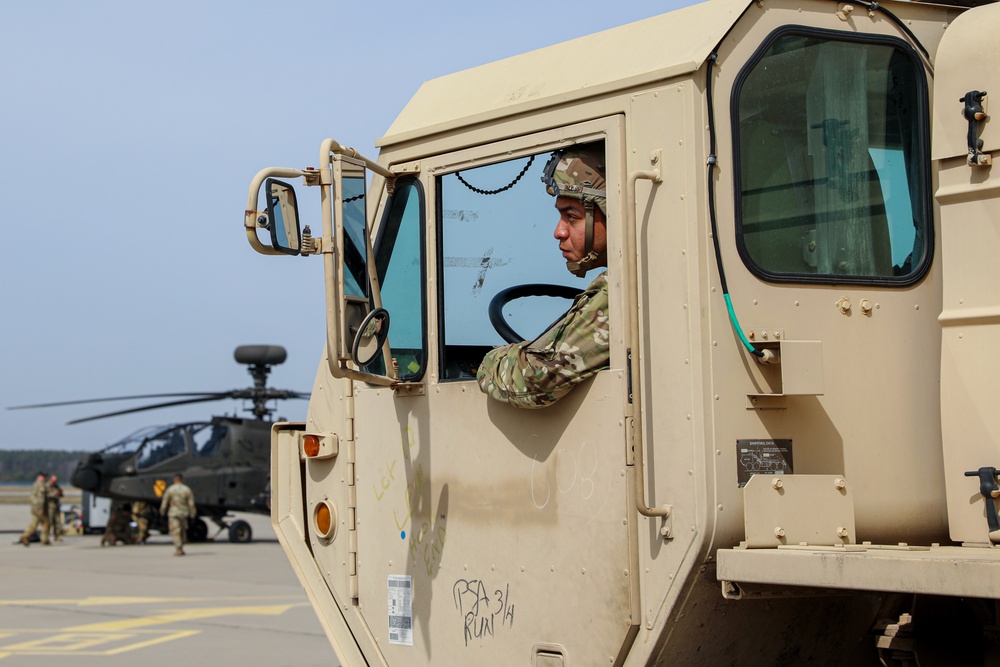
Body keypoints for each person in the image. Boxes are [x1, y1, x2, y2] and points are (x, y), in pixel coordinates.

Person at [477, 142, 611, 408]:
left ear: (610, 212)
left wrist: (491, 362)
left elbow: (536, 379)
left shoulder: (620, 290)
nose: (559, 231)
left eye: (571, 216)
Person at [160, 473, 197, 556]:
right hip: (183, 513)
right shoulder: (187, 489)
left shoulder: (170, 489)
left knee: (176, 531)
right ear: (182, 480)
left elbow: (165, 502)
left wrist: (162, 512)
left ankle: (178, 549)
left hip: (173, 513)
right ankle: (181, 546)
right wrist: (192, 514)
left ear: (174, 480)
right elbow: (191, 503)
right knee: (183, 531)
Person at [19, 472, 50, 546]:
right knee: (46, 523)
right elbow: (41, 498)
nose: (44, 478)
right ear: (40, 477)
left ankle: (25, 536)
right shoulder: (40, 485)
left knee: (34, 524)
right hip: (39, 508)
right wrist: (41, 508)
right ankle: (44, 539)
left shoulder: (35, 484)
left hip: (34, 508)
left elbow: (32, 497)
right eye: (43, 477)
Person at [46, 474, 64, 543]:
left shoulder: (57, 486)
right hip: (50, 506)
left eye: (56, 480)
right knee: (49, 522)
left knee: (57, 522)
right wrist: (54, 494)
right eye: (53, 480)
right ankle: (46, 536)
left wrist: (60, 493)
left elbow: (61, 494)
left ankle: (57, 536)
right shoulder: (47, 486)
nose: (55, 482)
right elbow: (45, 495)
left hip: (56, 506)